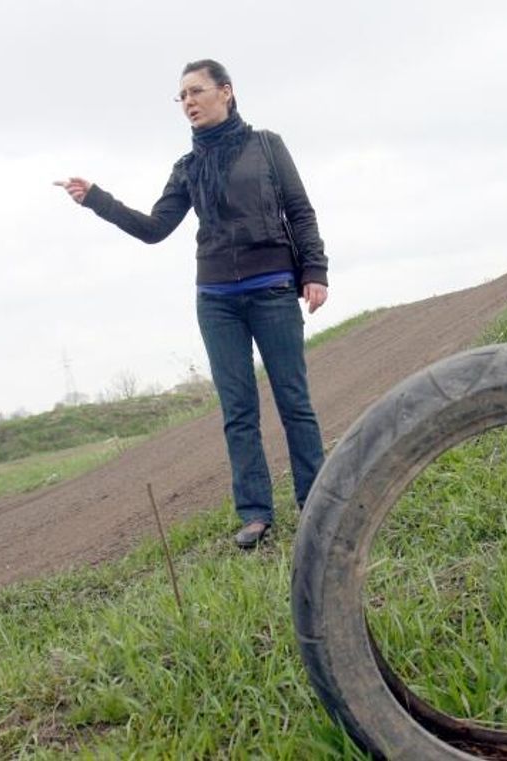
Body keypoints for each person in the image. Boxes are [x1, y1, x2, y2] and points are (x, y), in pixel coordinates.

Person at [55, 59, 328, 550]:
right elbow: (155, 229)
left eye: (196, 91)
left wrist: (314, 272)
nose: (188, 102)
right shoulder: (187, 168)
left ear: (227, 92)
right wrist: (98, 200)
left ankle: (317, 500)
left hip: (272, 290)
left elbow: (299, 210)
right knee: (238, 410)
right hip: (217, 300)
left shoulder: (267, 145)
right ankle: (255, 515)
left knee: (294, 400)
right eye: (181, 96)